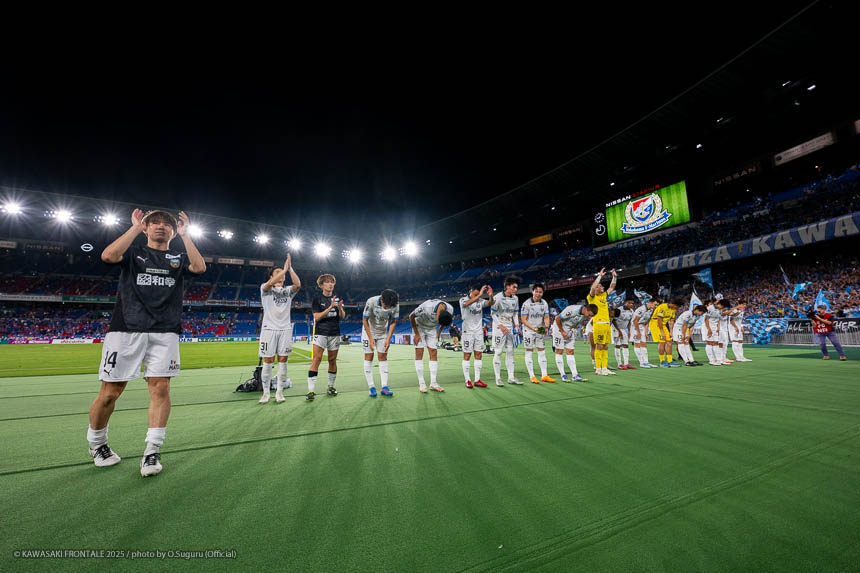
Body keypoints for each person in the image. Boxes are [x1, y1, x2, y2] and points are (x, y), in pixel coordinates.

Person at [88, 209, 206, 477]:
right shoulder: (133, 253)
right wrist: (134, 228)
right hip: (126, 329)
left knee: (161, 389)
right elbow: (108, 256)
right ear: (145, 228)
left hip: (165, 331)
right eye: (154, 222)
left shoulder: (178, 257)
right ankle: (97, 444)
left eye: (167, 224)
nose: (160, 226)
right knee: (110, 392)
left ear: (174, 231)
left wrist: (186, 236)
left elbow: (199, 268)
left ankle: (152, 450)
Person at [258, 254, 301, 404]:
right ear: (271, 276)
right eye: (276, 273)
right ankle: (265, 393)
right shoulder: (265, 288)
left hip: (285, 329)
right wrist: (283, 270)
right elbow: (270, 284)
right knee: (268, 361)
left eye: (282, 273)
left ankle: (280, 392)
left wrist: (290, 269)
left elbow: (298, 284)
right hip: (269, 329)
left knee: (283, 361)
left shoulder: (288, 291)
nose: (281, 275)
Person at [307, 274, 345, 401]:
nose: (330, 284)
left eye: (332, 282)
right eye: (327, 282)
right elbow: (317, 317)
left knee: (332, 360)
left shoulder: (337, 298)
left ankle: (331, 387)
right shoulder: (317, 299)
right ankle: (311, 390)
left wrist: (340, 308)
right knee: (316, 359)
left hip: (335, 333)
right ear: (321, 285)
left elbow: (342, 316)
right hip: (321, 332)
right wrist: (329, 307)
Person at [410, 299, 455, 392]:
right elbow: (411, 316)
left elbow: (444, 322)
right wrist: (416, 334)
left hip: (432, 329)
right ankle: (422, 383)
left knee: (433, 352)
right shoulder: (426, 307)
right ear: (437, 315)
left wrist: (439, 331)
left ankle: (433, 383)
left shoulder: (450, 309)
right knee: (419, 352)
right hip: (419, 326)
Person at [362, 289, 399, 397]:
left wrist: (388, 338)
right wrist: (370, 338)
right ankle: (371, 387)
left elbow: (393, 321)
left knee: (383, 356)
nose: (387, 308)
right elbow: (364, 320)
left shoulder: (395, 304)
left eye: (389, 306)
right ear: (381, 299)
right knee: (369, 356)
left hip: (382, 333)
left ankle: (384, 387)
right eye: (386, 305)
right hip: (368, 331)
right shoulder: (371, 301)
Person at [520, 282, 556, 383]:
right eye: (536, 291)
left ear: (542, 293)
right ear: (532, 292)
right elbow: (523, 320)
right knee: (529, 351)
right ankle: (532, 376)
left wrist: (547, 326)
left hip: (539, 329)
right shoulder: (526, 304)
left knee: (542, 351)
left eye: (540, 292)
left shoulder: (544, 303)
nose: (538, 294)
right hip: (528, 330)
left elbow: (546, 317)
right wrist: (533, 329)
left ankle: (544, 375)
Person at [552, 303, 597, 381]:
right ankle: (563, 374)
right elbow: (557, 319)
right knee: (559, 351)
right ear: (586, 309)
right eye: (589, 315)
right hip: (559, 330)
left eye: (591, 316)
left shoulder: (584, 315)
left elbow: (577, 323)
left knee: (570, 351)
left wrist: (572, 329)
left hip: (569, 331)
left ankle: (575, 375)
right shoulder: (572, 310)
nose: (589, 317)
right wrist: (562, 331)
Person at [491, 275, 522, 386]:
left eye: (516, 287)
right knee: (498, 351)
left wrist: (517, 325)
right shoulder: (498, 297)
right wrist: (500, 325)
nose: (515, 289)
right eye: (514, 287)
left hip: (509, 327)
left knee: (510, 352)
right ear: (507, 286)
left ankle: (511, 377)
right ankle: (498, 378)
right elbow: (493, 313)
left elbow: (515, 313)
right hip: (499, 328)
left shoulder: (516, 298)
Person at [460, 284, 492, 388]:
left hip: (478, 331)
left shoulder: (480, 301)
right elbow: (466, 304)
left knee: (478, 354)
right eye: (475, 294)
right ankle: (467, 380)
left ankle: (477, 380)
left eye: (478, 294)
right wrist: (479, 295)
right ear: (471, 291)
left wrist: (490, 296)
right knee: (467, 355)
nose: (478, 296)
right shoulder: (463, 299)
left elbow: (490, 303)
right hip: (467, 332)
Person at [587, 268, 617, 376]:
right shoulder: (591, 297)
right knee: (599, 346)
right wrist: (599, 276)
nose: (602, 287)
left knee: (605, 346)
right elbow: (593, 287)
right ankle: (598, 368)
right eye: (600, 286)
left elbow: (612, 287)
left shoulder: (604, 296)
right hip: (598, 325)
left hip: (607, 324)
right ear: (596, 288)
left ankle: (604, 368)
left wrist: (614, 277)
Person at [650, 296, 683, 367]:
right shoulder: (663, 307)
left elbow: (671, 320)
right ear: (673, 304)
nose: (677, 308)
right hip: (655, 324)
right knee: (662, 341)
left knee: (669, 342)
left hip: (663, 324)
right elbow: (659, 319)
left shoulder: (673, 309)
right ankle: (662, 361)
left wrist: (671, 331)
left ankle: (670, 361)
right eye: (677, 307)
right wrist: (662, 331)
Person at [631, 298, 658, 368]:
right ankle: (641, 362)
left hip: (642, 326)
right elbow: (635, 321)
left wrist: (646, 331)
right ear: (650, 302)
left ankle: (646, 362)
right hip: (635, 327)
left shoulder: (651, 310)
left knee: (644, 344)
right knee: (637, 344)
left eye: (657, 305)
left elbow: (647, 321)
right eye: (655, 304)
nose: (656, 306)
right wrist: (638, 332)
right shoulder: (641, 309)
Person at [612, 299, 636, 370]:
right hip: (616, 329)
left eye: (632, 303)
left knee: (626, 345)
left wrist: (629, 331)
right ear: (625, 303)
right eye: (629, 303)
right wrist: (619, 331)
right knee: (618, 345)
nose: (631, 305)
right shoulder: (619, 310)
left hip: (623, 329)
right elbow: (613, 321)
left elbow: (629, 322)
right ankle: (619, 364)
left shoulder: (631, 311)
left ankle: (626, 363)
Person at [703, 298, 726, 366]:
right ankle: (711, 360)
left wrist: (718, 327)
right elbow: (706, 319)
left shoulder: (719, 310)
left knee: (716, 343)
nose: (723, 308)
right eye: (723, 306)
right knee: (709, 343)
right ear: (720, 304)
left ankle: (718, 360)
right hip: (708, 326)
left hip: (715, 327)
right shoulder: (710, 308)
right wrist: (709, 329)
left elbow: (718, 318)